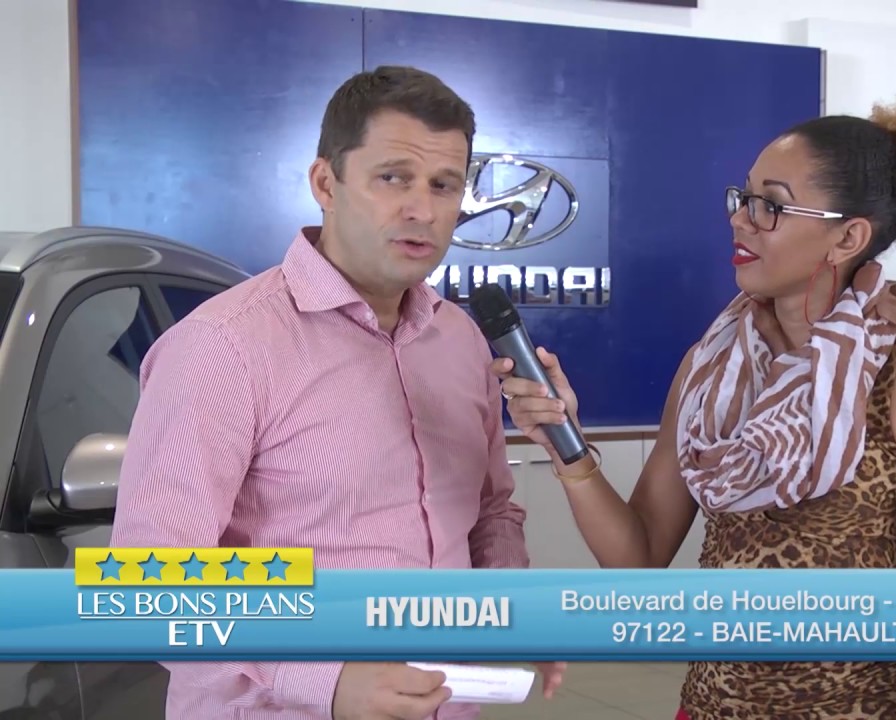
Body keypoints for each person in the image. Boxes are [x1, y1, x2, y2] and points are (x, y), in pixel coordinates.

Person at [493, 87, 896, 720]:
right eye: (743, 197)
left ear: (847, 237)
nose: (740, 219)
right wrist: (567, 445)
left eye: (770, 206)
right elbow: (638, 558)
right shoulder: (710, 366)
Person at [110, 66, 564, 720]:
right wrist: (325, 678)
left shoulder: (460, 340)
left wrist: (516, 607)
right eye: (393, 178)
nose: (422, 209)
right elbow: (149, 581)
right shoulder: (223, 346)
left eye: (443, 185)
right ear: (325, 183)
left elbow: (490, 512)